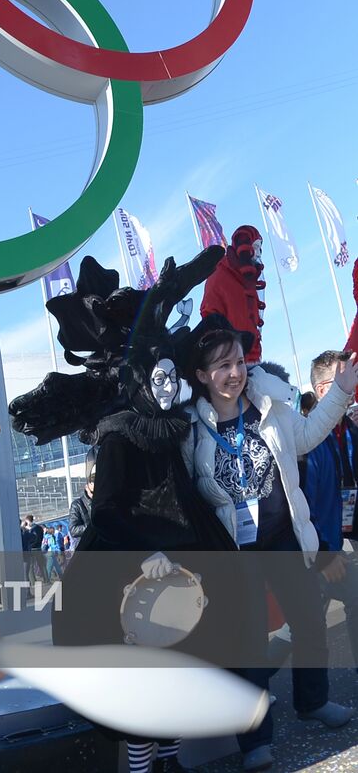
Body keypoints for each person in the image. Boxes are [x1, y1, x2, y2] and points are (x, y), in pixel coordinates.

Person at [11, 248, 247, 773]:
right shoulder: (119, 434)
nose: (166, 387)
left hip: (189, 561)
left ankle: (172, 762)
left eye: (171, 376)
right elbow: (109, 509)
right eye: (156, 378)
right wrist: (146, 555)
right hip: (133, 571)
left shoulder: (178, 425)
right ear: (139, 379)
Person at [182, 315, 356, 770]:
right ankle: (255, 738)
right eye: (221, 365)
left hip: (282, 537)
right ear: (202, 375)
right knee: (248, 644)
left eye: (238, 361)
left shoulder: (271, 407)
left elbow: (308, 434)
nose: (234, 372)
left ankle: (312, 700)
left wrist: (340, 393)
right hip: (234, 552)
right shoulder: (190, 428)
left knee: (310, 621)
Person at [304, 352, 358, 673]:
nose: (353, 386)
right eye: (345, 378)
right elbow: (302, 506)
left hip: (339, 537)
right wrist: (324, 553)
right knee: (302, 624)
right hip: (319, 550)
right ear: (324, 390)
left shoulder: (346, 430)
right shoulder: (310, 440)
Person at [200, 225, 266, 364]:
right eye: (255, 247)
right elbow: (210, 314)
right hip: (231, 361)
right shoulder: (220, 276)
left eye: (260, 248)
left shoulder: (247, 282)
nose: (259, 253)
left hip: (251, 360)